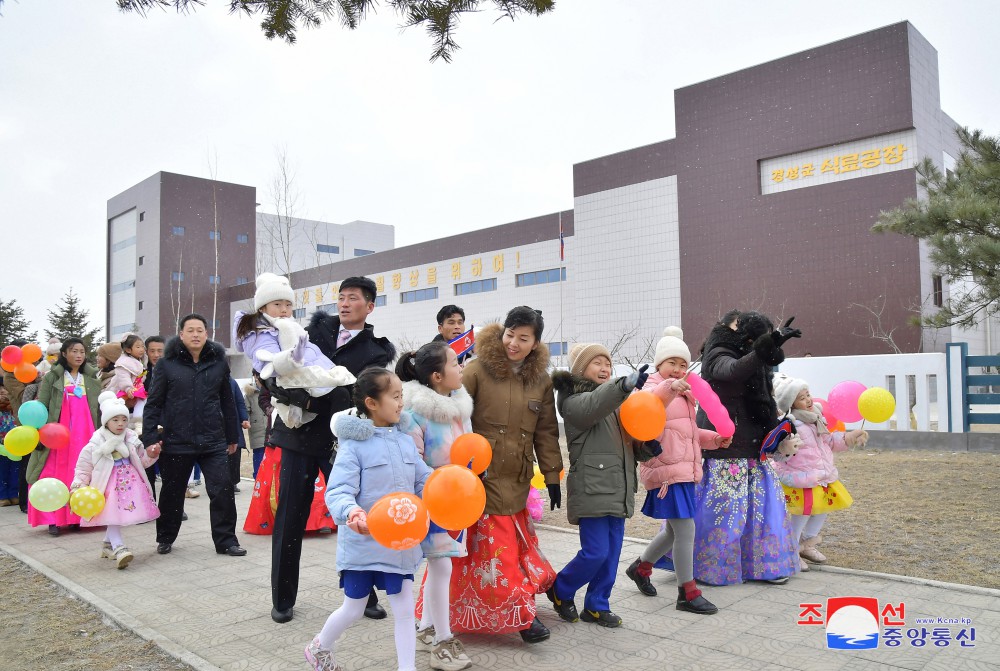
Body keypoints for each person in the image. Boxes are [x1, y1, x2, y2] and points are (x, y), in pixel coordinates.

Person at [268, 276, 396, 624]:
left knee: (353, 515)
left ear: (369, 307)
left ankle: (363, 593)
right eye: (340, 297)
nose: (344, 303)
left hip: (342, 443)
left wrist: (318, 395)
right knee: (290, 515)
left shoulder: (377, 350)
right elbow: (275, 368)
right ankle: (282, 598)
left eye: (352, 298)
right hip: (297, 436)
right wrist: (288, 393)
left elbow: (364, 395)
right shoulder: (310, 332)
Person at [306, 368, 431, 671]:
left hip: (399, 543)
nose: (402, 403)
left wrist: (446, 485)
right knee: (353, 608)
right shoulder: (354, 446)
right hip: (363, 543)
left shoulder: (404, 442)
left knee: (403, 609)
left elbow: (423, 481)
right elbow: (338, 491)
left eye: (402, 396)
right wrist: (352, 512)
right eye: (395, 396)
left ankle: (407, 668)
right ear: (372, 403)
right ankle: (319, 647)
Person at [451, 306, 561, 643]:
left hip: (516, 477)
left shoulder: (540, 380)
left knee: (508, 548)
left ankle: (449, 609)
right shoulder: (477, 369)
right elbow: (452, 414)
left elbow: (546, 431)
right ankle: (521, 618)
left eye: (523, 338)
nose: (513, 342)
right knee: (493, 551)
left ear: (535, 343)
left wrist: (553, 475)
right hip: (478, 479)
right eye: (510, 334)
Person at [547, 343, 660, 629]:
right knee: (595, 552)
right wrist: (624, 385)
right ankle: (560, 589)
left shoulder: (615, 404)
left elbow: (628, 444)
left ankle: (597, 605)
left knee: (610, 554)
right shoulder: (574, 401)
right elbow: (594, 405)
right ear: (580, 369)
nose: (604, 368)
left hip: (618, 486)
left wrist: (647, 446)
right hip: (593, 488)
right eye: (597, 362)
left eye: (607, 363)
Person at [688, 311, 801, 585]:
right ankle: (712, 567)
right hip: (725, 448)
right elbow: (734, 370)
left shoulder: (751, 353)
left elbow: (757, 375)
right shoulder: (717, 351)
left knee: (759, 511)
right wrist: (768, 345)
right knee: (726, 511)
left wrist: (771, 345)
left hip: (754, 446)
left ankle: (761, 565)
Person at [624, 327, 731, 614]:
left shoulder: (685, 393)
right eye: (672, 362)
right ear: (660, 363)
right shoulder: (648, 386)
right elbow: (648, 405)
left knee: (675, 531)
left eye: (683, 364)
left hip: (685, 470)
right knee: (686, 530)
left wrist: (715, 440)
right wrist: (670, 387)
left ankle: (641, 567)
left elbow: (689, 431)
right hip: (665, 472)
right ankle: (688, 592)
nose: (678, 369)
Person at [397, 342, 474, 671]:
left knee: (440, 568)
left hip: (459, 502)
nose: (461, 369)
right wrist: (438, 484)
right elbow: (410, 462)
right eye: (455, 364)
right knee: (441, 568)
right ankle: (443, 642)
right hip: (431, 503)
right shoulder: (415, 415)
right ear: (437, 375)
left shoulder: (457, 407)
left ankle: (428, 626)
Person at [142, 313, 245, 557]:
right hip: (177, 440)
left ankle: (227, 541)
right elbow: (154, 404)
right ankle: (165, 537)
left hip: (213, 440)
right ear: (181, 334)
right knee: (172, 492)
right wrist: (149, 438)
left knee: (222, 489)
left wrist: (233, 437)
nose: (196, 334)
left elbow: (227, 402)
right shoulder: (167, 365)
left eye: (200, 330)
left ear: (207, 334)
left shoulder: (218, 363)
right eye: (191, 330)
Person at [234, 272, 355, 428]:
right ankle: (340, 439)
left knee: (347, 390)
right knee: (341, 394)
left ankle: (341, 436)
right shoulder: (260, 331)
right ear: (263, 308)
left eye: (288, 305)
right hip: (294, 378)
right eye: (277, 304)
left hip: (306, 374)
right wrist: (291, 358)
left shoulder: (289, 326)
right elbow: (269, 360)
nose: (284, 309)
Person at [772, 376, 868, 572]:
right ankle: (791, 550)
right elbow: (775, 454)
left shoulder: (816, 419)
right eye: (801, 398)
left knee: (822, 510)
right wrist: (785, 448)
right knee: (802, 513)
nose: (808, 400)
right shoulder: (788, 425)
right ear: (790, 404)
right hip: (800, 479)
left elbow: (830, 442)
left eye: (808, 395)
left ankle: (807, 545)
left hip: (821, 476)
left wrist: (850, 437)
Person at [71, 393, 161, 569]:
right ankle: (119, 548)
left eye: (123, 419)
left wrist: (151, 455)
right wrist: (78, 486)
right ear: (106, 422)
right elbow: (83, 468)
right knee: (112, 515)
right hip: (107, 486)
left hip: (129, 484)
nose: (120, 424)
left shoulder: (132, 440)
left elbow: (142, 462)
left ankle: (107, 545)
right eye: (115, 420)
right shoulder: (95, 445)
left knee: (116, 515)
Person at [27, 338, 102, 535]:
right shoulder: (52, 377)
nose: (79, 355)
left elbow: (99, 408)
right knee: (55, 472)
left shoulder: (92, 378)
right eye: (74, 351)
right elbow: (42, 405)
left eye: (82, 352)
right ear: (64, 353)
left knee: (82, 471)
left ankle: (79, 515)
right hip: (58, 434)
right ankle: (54, 518)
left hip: (86, 432)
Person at [142, 335, 166, 498]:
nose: (156, 355)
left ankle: (171, 508)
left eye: (160, 351)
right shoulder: (139, 373)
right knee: (146, 467)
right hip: (145, 426)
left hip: (167, 425)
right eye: (152, 351)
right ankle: (149, 503)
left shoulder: (172, 370)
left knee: (169, 469)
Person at [108, 335, 147, 420]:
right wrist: (128, 388)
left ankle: (138, 419)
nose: (141, 349)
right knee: (120, 410)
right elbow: (123, 378)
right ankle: (137, 419)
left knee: (142, 401)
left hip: (135, 389)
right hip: (122, 391)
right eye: (138, 347)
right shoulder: (124, 363)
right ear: (128, 350)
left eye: (142, 346)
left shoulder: (138, 361)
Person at [244, 373, 269, 478]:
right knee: (259, 453)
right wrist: (247, 421)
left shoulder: (271, 390)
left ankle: (268, 479)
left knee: (270, 454)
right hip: (256, 428)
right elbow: (246, 410)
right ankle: (258, 478)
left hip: (270, 428)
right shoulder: (250, 394)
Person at [228, 376, 250, 493]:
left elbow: (240, 402)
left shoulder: (232, 382)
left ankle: (233, 482)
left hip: (233, 423)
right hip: (216, 424)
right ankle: (222, 483)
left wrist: (244, 418)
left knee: (235, 455)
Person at [0, 387, 18, 506]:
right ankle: (2, 496)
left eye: (5, 391)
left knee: (15, 470)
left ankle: (13, 494)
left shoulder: (15, 408)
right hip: (1, 445)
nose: (3, 394)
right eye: (1, 392)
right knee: (2, 470)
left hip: (16, 444)